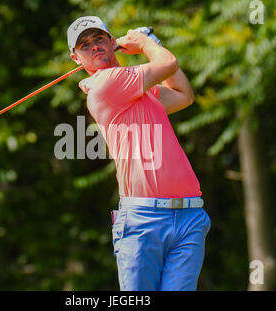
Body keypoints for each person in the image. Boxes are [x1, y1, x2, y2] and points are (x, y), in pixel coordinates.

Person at [67, 16, 211, 291]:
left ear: (112, 43)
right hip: (144, 218)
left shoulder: (137, 89)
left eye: (99, 39)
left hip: (189, 215)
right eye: (85, 45)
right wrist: (145, 42)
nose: (94, 46)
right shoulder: (107, 83)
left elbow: (183, 94)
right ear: (76, 58)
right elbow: (168, 64)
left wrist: (153, 43)